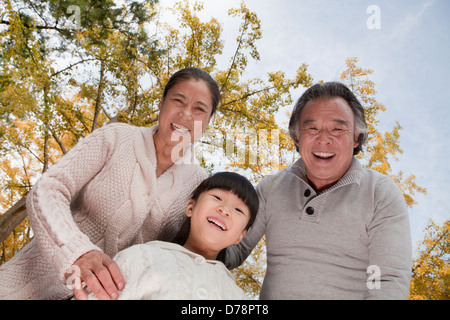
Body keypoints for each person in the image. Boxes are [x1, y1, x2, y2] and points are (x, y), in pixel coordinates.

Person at [0, 68, 220, 300]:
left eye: (199, 109)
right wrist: (77, 252)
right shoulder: (117, 137)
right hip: (21, 286)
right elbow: (49, 189)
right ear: (161, 103)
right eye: (178, 100)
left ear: (208, 121)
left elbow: (192, 251)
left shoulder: (201, 183)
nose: (185, 114)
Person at [223, 82, 412, 299]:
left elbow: (386, 281)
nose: (323, 138)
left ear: (356, 138)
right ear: (297, 137)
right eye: (312, 128)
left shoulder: (381, 193)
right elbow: (234, 248)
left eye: (337, 128)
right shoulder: (271, 188)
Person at [84, 172, 258, 300]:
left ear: (240, 237)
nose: (225, 210)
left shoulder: (237, 296)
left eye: (238, 210)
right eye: (217, 197)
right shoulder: (141, 257)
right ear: (190, 207)